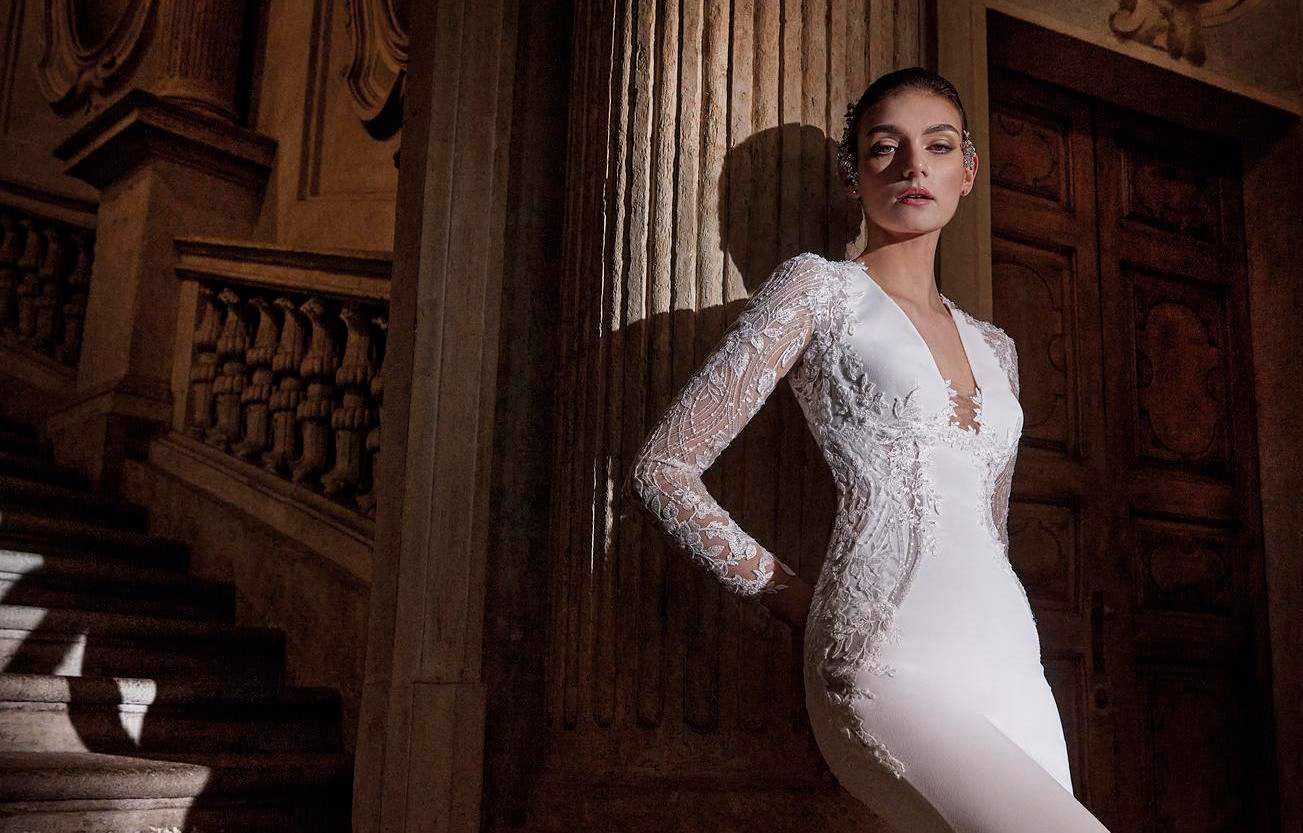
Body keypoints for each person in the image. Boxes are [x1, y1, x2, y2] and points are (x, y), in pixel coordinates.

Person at [624, 67, 1112, 833]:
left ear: (966, 173)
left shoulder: (996, 346)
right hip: (883, 650)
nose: (913, 166)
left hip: (1011, 663)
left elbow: (990, 526)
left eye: (937, 146)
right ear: (853, 178)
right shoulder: (817, 291)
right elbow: (664, 466)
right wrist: (794, 597)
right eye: (885, 149)